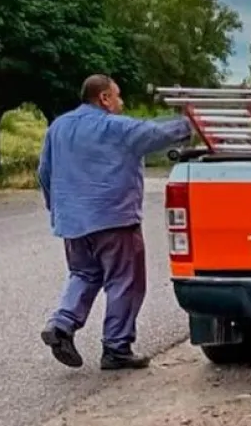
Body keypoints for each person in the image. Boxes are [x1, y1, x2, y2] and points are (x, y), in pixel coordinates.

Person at [37, 74, 192, 370]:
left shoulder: (58, 127)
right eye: (117, 96)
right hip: (114, 220)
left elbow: (44, 172)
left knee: (83, 273)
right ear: (104, 98)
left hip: (73, 222)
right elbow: (155, 133)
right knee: (125, 281)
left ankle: (61, 325)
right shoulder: (115, 128)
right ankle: (116, 348)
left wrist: (57, 208)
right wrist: (192, 123)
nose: (121, 103)